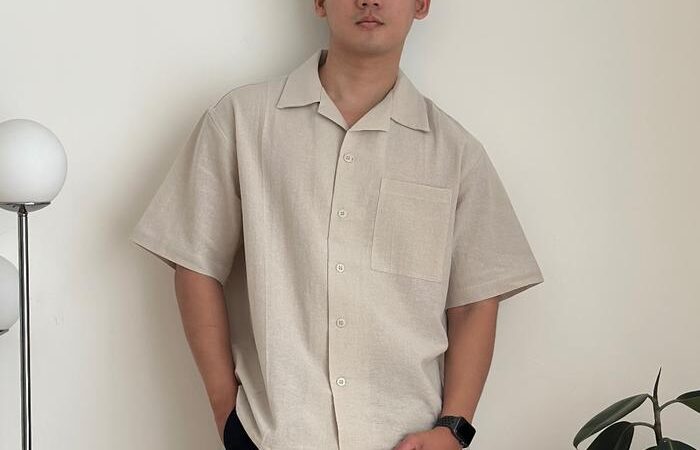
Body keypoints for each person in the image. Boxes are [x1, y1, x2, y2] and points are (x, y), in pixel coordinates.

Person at [129, 1, 545, 449]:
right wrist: (227, 415)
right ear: (320, 2)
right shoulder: (243, 120)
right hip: (277, 435)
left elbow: (475, 302)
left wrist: (454, 429)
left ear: (422, 4)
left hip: (405, 439)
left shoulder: (455, 154)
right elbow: (194, 260)